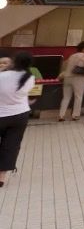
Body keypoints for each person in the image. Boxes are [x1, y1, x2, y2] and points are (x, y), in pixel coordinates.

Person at [0, 52, 35, 188]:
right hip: (20, 115)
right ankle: (1, 178)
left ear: (14, 61)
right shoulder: (29, 77)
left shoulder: (3, 76)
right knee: (11, 145)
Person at [59, 41, 84, 121]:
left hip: (67, 78)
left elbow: (65, 65)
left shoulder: (72, 56)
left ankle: (61, 115)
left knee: (66, 97)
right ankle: (75, 115)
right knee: (78, 97)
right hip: (78, 78)